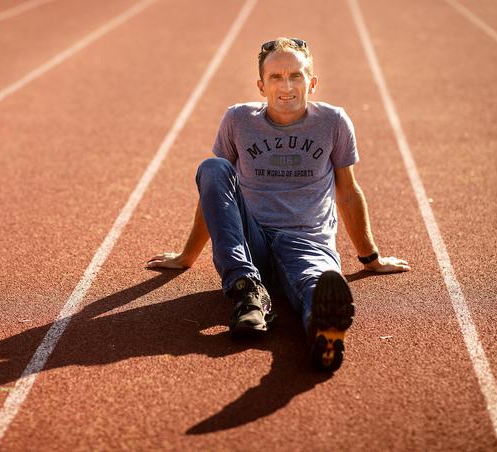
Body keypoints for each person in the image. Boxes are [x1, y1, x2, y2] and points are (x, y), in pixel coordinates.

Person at [146, 37, 410, 372]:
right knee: (212, 168)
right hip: (250, 242)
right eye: (276, 77)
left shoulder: (333, 122)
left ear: (311, 82)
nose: (286, 86)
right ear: (261, 85)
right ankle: (247, 289)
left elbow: (347, 191)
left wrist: (370, 258)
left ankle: (323, 330)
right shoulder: (238, 120)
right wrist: (187, 256)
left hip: (306, 239)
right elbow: (216, 196)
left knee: (316, 282)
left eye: (296, 76)